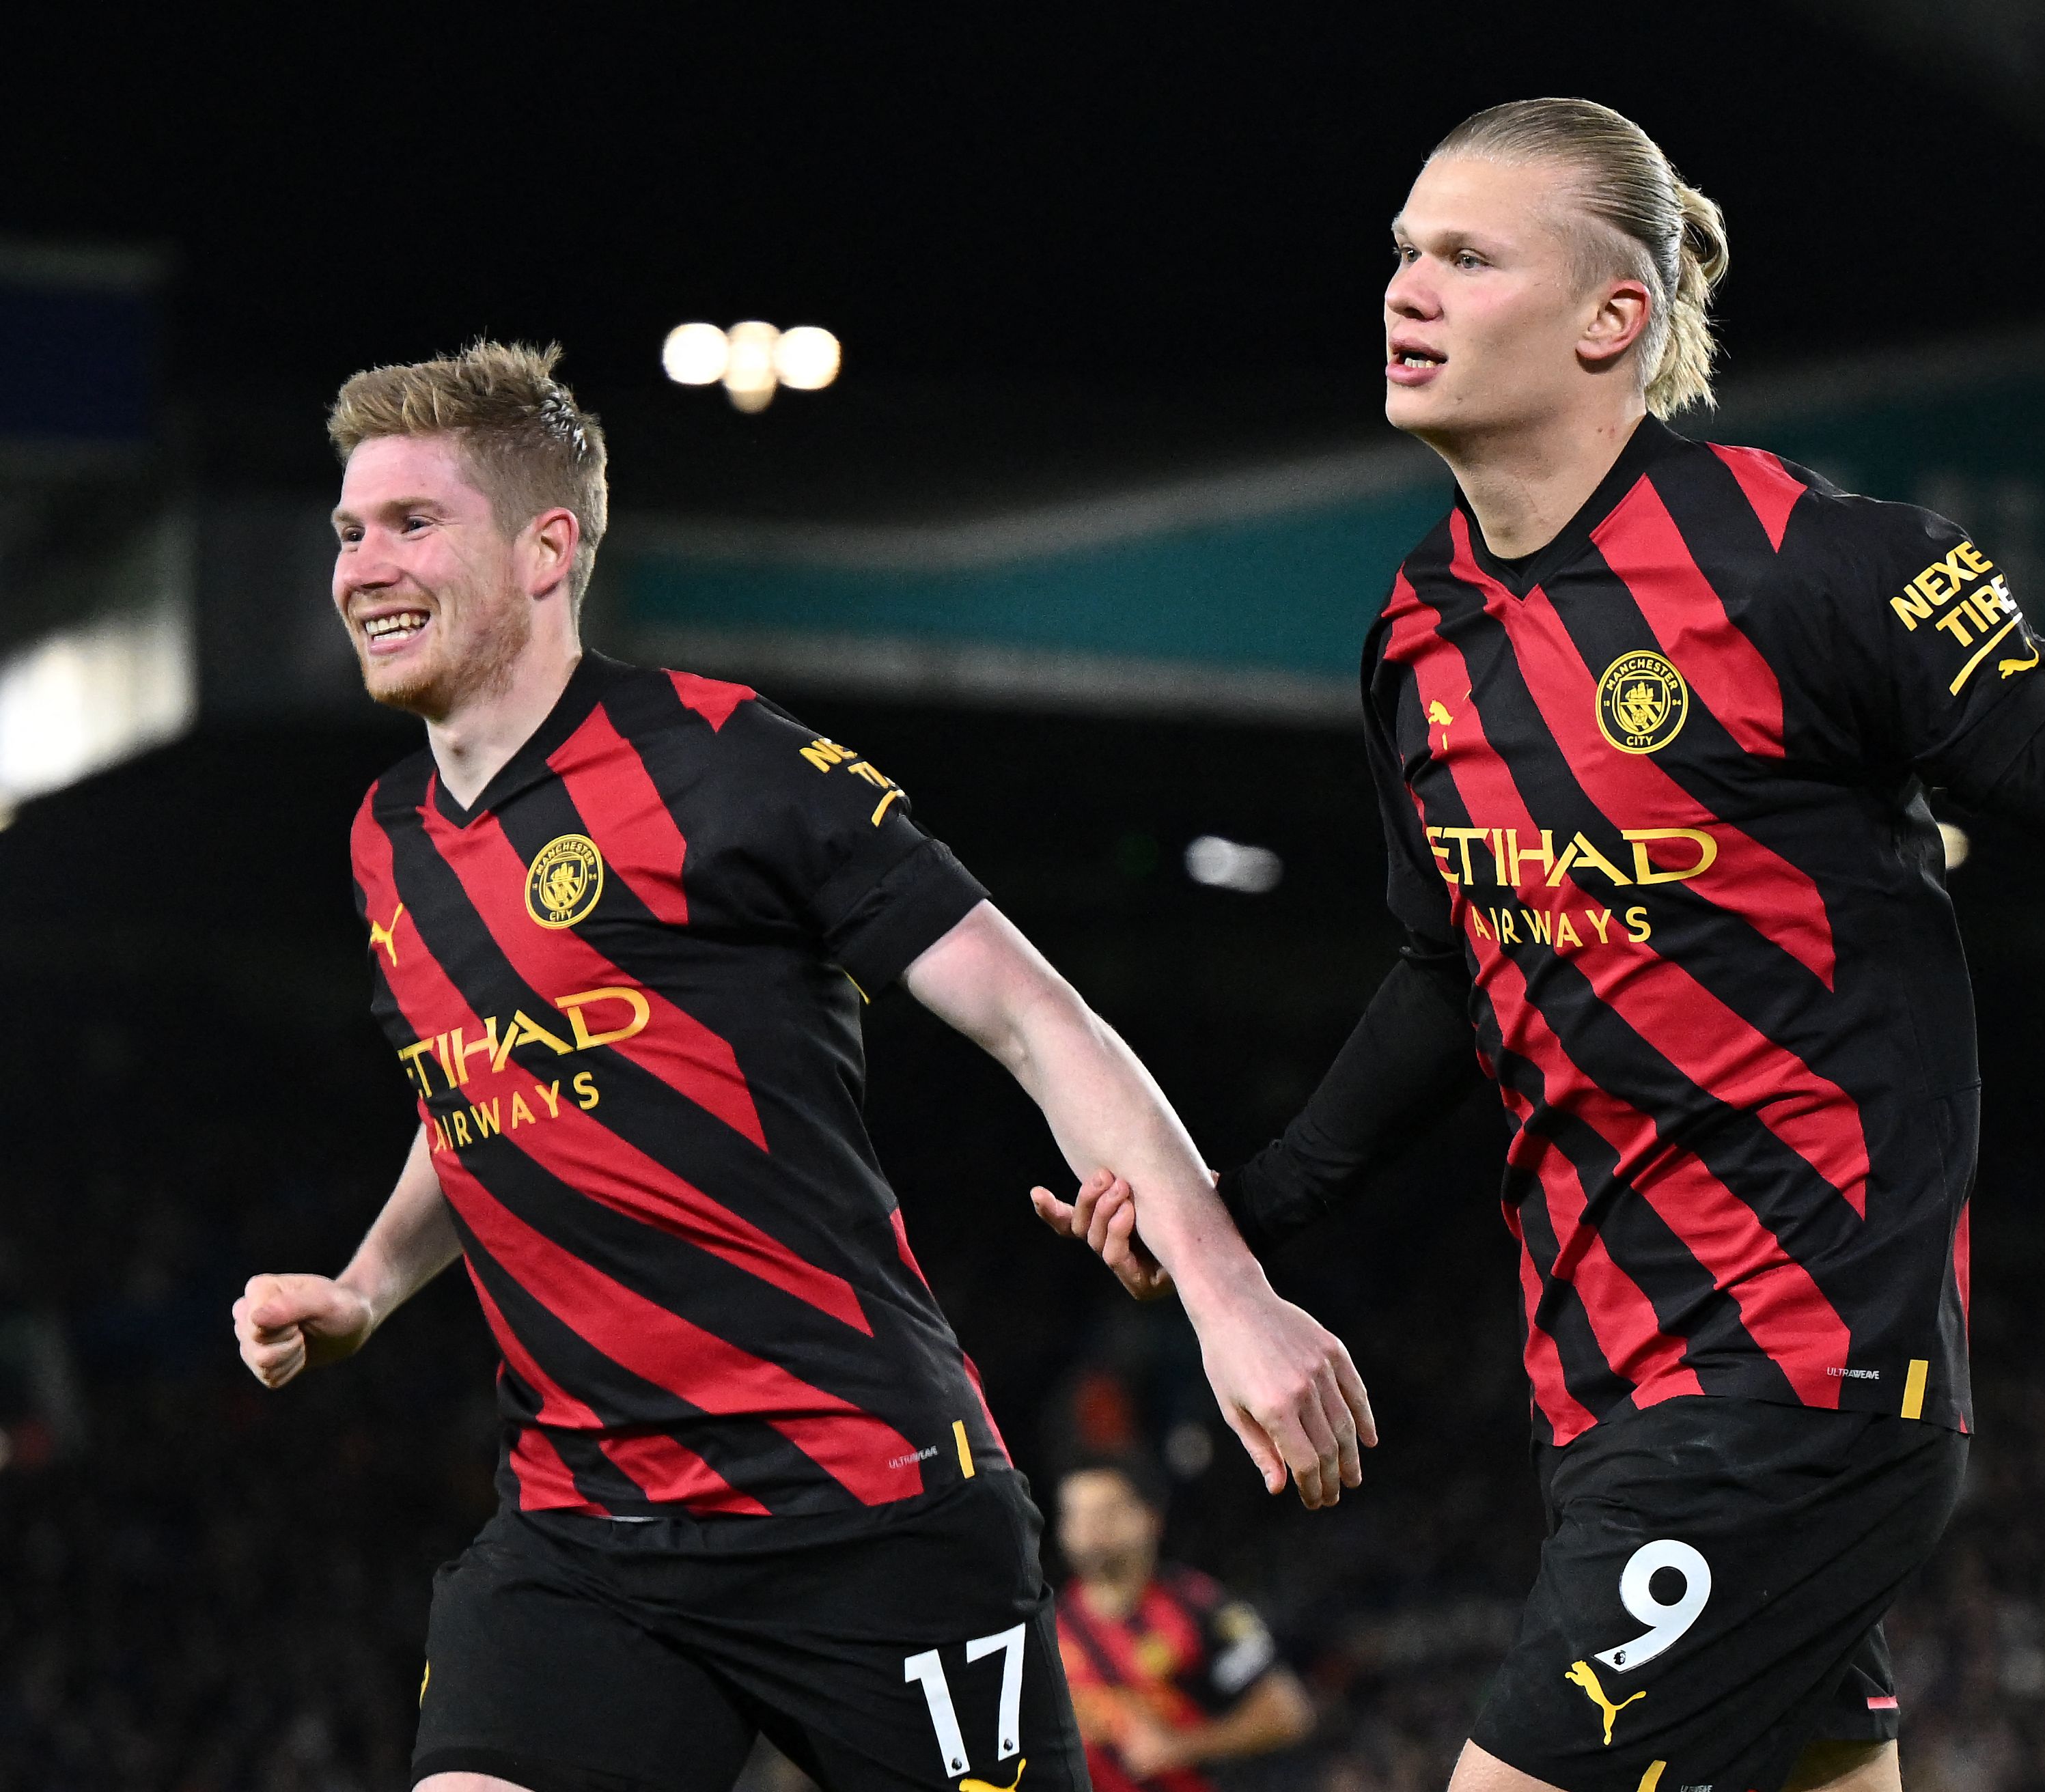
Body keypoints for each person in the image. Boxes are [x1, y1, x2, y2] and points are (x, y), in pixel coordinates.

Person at [1033, 98, 2045, 1792]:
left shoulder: (1814, 568)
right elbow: (1460, 972)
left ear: (1615, 319)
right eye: (1399, 252)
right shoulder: (1412, 635)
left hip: (1797, 1385)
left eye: (1464, 254)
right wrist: (1246, 1208)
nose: (1407, 288)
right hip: (1604, 1398)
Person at [229, 341, 1376, 1792]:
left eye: (410, 524)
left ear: (545, 550)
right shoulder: (384, 840)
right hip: (587, 1529)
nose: (362, 565)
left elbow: (1039, 1017)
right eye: (347, 530)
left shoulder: (730, 765)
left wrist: (1230, 1298)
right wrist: (366, 1287)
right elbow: (480, 1097)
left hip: (869, 1509)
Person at [1053, 1455, 1316, 1790]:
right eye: (1076, 1516)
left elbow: (1287, 1713)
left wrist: (1181, 1747)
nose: (1091, 1530)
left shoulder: (1198, 1605)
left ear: (1150, 1518)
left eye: (1107, 1513)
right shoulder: (1045, 1629)